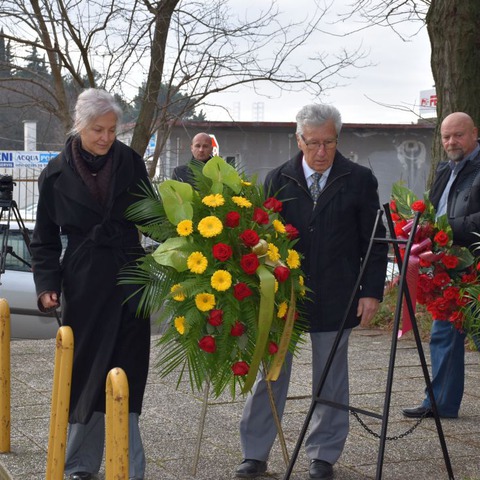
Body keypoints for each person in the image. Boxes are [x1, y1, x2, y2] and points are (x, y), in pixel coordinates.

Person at [235, 104, 388, 479]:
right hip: (285, 295)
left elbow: (375, 240)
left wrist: (371, 291)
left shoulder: (359, 179)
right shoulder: (278, 178)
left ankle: (323, 454)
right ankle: (255, 452)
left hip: (339, 291)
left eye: (330, 143)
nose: (321, 152)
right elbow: (261, 238)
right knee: (270, 374)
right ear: (298, 139)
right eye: (314, 143)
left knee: (331, 376)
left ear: (338, 139)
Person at [30, 88, 151, 480]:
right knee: (85, 373)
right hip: (83, 282)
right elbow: (44, 239)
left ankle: (129, 468)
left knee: (128, 372)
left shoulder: (132, 162)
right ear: (79, 126)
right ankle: (80, 465)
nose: (105, 137)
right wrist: (47, 284)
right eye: (98, 129)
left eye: (112, 130)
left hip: (131, 276)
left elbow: (152, 217)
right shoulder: (54, 173)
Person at [403, 112, 480, 420]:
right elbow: (434, 210)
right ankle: (440, 403)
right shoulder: (444, 168)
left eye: (458, 135)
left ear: (474, 133)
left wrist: (446, 227)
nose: (451, 142)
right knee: (443, 334)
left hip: (474, 262)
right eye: (446, 137)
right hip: (447, 264)